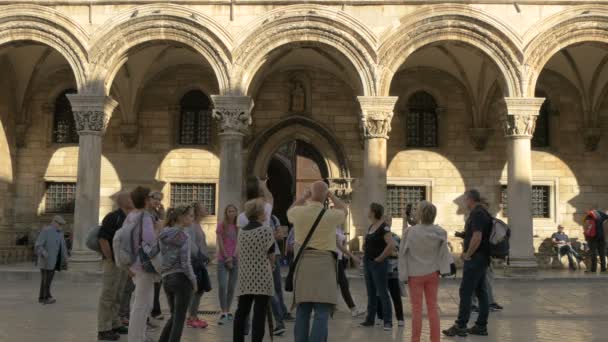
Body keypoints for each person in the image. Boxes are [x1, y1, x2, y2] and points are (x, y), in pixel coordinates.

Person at [288, 181, 347, 342]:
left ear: (311, 194)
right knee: (322, 312)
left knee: (303, 310)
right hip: (325, 265)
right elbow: (344, 209)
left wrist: (303, 197)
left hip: (303, 265)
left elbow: (289, 211)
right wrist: (331, 195)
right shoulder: (331, 215)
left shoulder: (299, 213)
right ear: (325, 197)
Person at [399, 201, 451, 342]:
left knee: (416, 310)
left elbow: (402, 254)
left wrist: (402, 275)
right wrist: (444, 268)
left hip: (414, 274)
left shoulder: (410, 232)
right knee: (433, 308)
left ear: (420, 214)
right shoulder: (440, 232)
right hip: (432, 273)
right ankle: (435, 340)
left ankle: (415, 339)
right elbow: (444, 253)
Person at [443, 189, 493, 337]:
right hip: (482, 258)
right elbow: (477, 234)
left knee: (465, 291)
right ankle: (481, 326)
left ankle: (461, 325)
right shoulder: (484, 213)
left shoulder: (477, 213)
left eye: (465, 200)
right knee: (481, 291)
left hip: (475, 258)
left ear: (470, 199)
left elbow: (477, 237)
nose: (464, 203)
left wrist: (467, 254)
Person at [233, 198, 276, 342]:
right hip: (262, 277)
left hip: (245, 277)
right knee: (259, 313)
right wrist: (273, 265)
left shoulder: (242, 232)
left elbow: (239, 253)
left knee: (242, 311)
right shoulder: (266, 231)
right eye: (264, 210)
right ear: (259, 213)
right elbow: (271, 255)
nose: (266, 213)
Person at [156, 205, 197, 342]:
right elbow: (186, 262)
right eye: (191, 215)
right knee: (179, 319)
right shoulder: (184, 235)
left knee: (175, 316)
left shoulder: (163, 233)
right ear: (181, 217)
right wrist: (193, 280)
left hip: (167, 278)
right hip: (181, 279)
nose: (193, 218)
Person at [98, 192, 134, 341]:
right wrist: (111, 258)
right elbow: (103, 239)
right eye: (131, 198)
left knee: (118, 294)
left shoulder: (130, 218)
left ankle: (115, 323)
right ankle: (103, 328)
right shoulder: (113, 217)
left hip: (123, 263)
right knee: (108, 295)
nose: (133, 200)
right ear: (123, 201)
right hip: (113, 262)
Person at [127, 186, 158, 342]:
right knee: (142, 304)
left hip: (133, 263)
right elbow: (150, 240)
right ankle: (136, 338)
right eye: (151, 197)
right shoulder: (145, 216)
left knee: (143, 302)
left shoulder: (131, 215)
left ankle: (140, 336)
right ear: (146, 200)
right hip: (144, 265)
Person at [359, 203, 395, 331]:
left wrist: (380, 258)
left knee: (383, 292)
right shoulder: (371, 226)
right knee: (371, 293)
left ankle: (388, 321)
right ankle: (370, 319)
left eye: (368, 209)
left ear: (373, 212)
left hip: (378, 264)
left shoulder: (384, 227)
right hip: (368, 262)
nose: (366, 210)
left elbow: (391, 245)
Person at [185, 202, 210, 329]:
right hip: (196, 262)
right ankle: (191, 317)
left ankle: (193, 315)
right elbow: (192, 244)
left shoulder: (197, 225)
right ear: (198, 211)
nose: (206, 209)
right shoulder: (192, 226)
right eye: (204, 207)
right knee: (197, 290)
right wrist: (201, 257)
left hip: (201, 262)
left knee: (199, 290)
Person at [35, 215, 69, 305]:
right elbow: (38, 245)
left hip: (55, 261)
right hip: (46, 260)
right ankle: (43, 297)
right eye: (59, 224)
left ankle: (47, 295)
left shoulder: (60, 233)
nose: (61, 226)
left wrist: (65, 258)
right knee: (45, 280)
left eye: (62, 224)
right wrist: (43, 252)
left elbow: (63, 247)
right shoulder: (46, 231)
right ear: (54, 222)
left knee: (49, 280)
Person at [376, 222, 404, 327]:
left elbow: (400, 252)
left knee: (395, 295)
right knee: (379, 295)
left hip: (392, 271)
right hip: (380, 270)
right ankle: (379, 316)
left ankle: (400, 318)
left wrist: (392, 253)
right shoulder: (376, 236)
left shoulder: (396, 237)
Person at [269, 214, 291, 336]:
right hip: (258, 257)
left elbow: (280, 236)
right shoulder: (249, 216)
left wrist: (270, 235)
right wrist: (271, 235)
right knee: (268, 289)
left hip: (274, 254)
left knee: (276, 288)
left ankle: (281, 316)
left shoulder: (273, 218)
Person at [335, 225, 365, 317]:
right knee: (343, 283)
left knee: (337, 283)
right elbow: (338, 245)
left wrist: (345, 254)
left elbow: (342, 243)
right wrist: (352, 256)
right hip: (334, 259)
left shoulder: (340, 228)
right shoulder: (332, 227)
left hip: (339, 259)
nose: (343, 216)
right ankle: (353, 309)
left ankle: (330, 306)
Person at [217, 204, 239, 325]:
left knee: (231, 287)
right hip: (222, 259)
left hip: (235, 259)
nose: (231, 213)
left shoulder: (238, 226)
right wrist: (227, 257)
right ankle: (223, 311)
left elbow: (239, 243)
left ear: (236, 212)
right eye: (229, 211)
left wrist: (233, 257)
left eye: (233, 211)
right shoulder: (221, 225)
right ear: (226, 213)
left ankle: (228, 310)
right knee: (222, 285)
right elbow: (220, 242)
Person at [149, 191, 166, 321]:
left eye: (160, 200)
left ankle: (155, 309)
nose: (158, 202)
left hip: (156, 250)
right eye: (156, 199)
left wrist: (162, 216)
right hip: (149, 252)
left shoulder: (155, 213)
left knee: (157, 282)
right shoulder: (146, 214)